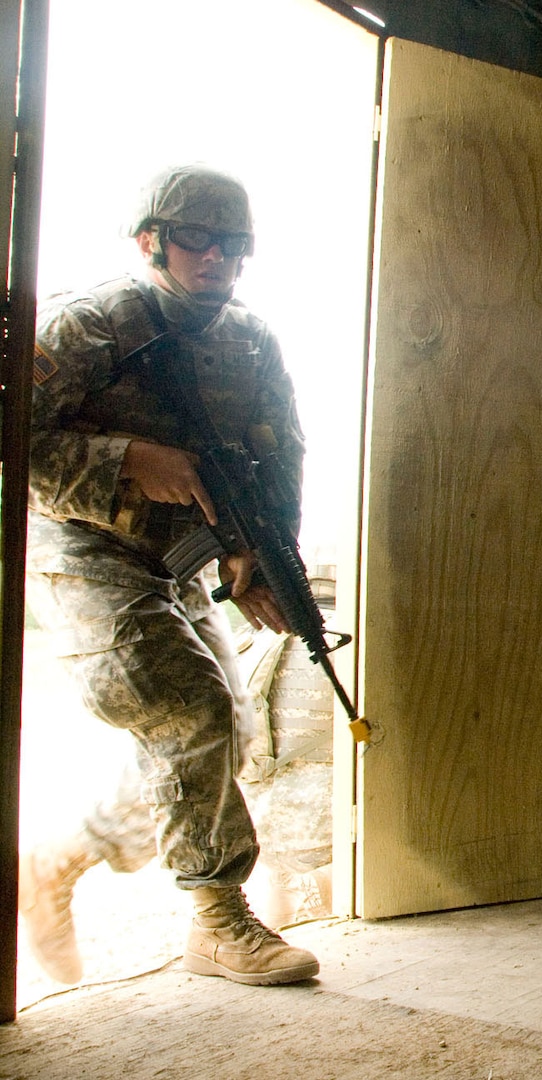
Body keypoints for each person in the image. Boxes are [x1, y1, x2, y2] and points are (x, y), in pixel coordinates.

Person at [22, 164, 320, 986]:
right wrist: (125, 461)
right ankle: (218, 919)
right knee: (188, 706)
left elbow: (279, 457)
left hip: (180, 554)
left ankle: (63, 859)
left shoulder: (250, 341)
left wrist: (259, 551)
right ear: (151, 239)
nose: (218, 258)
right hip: (83, 548)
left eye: (235, 244)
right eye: (197, 239)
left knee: (229, 728)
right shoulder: (88, 326)